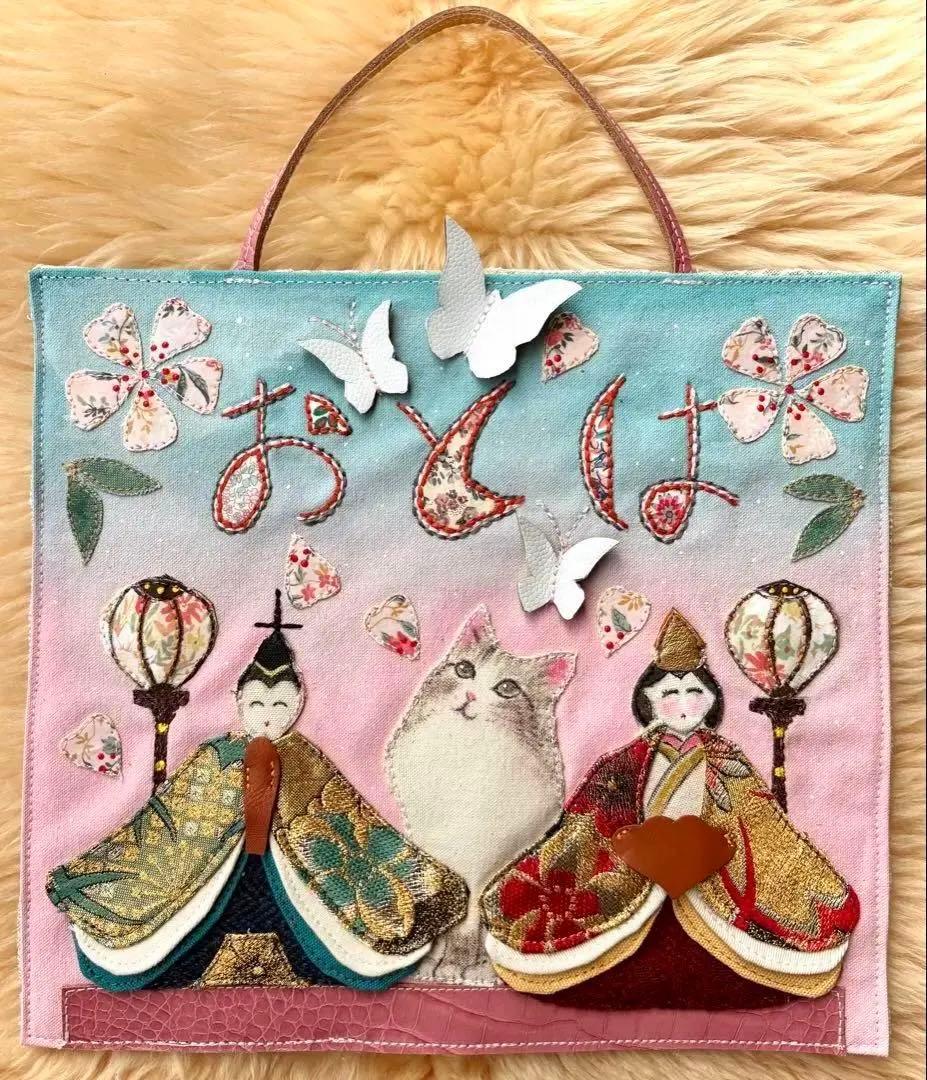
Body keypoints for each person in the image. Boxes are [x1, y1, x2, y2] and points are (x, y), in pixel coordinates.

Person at [48, 593, 467, 991]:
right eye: (258, 705)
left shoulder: (304, 757)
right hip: (211, 870)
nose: (268, 716)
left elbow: (342, 814)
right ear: (239, 699)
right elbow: (170, 819)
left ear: (297, 701)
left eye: (281, 706)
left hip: (294, 871)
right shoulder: (215, 755)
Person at [480, 609, 859, 1008]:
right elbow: (591, 816)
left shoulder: (727, 758)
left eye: (694, 692)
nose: (682, 704)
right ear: (648, 700)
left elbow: (757, 816)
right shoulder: (626, 760)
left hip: (710, 871)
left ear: (711, 699)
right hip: (635, 867)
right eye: (669, 694)